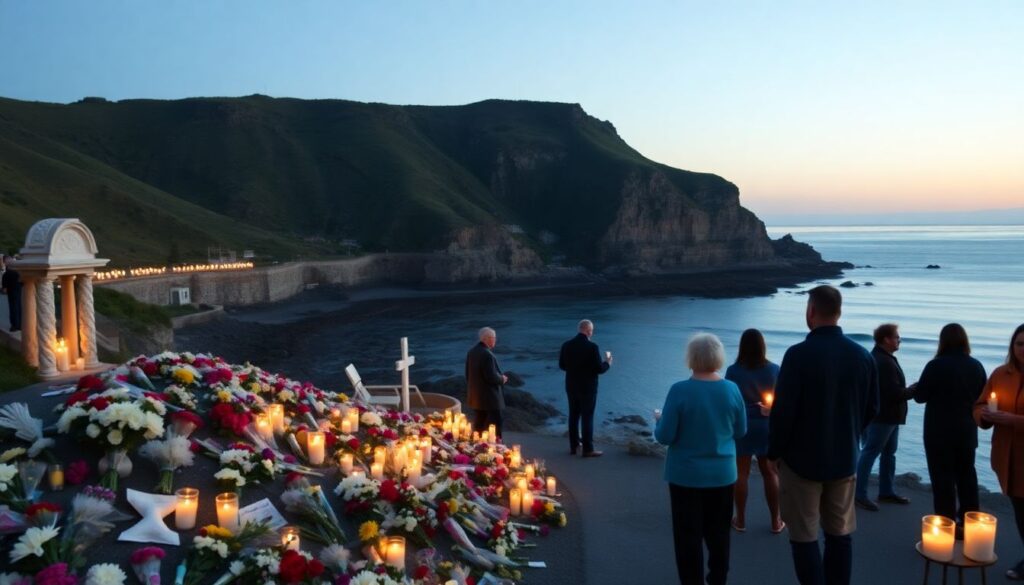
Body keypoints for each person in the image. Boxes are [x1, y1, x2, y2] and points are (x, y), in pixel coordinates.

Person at [768, 285, 879, 585]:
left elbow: (784, 412)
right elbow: (873, 407)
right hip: (844, 459)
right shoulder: (862, 356)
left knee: (803, 536)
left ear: (811, 312)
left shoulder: (797, 355)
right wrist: (850, 432)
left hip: (801, 461)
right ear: (839, 311)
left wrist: (775, 452)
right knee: (839, 534)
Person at [654, 332, 746, 585]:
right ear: (718, 357)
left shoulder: (680, 390)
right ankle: (717, 581)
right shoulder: (732, 390)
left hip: (685, 476)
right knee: (719, 537)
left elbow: (665, 436)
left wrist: (659, 421)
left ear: (691, 357)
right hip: (722, 476)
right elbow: (741, 431)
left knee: (687, 538)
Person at [913, 323, 986, 531]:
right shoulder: (976, 365)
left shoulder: (935, 365)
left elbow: (920, 397)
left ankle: (945, 525)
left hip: (938, 430)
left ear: (942, 341)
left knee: (942, 479)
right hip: (966, 429)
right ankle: (971, 522)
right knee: (967, 476)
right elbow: (983, 396)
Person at [974, 323, 1024, 580]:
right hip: (1008, 457)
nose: (1023, 349)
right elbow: (981, 403)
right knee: (1020, 511)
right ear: (1012, 346)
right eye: (1019, 344)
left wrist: (1014, 420)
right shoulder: (1001, 374)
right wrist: (984, 416)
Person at [724, 328, 783, 533]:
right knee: (770, 473)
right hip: (766, 425)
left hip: (742, 425)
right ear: (762, 346)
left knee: (741, 473)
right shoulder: (774, 369)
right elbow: (782, 399)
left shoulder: (733, 371)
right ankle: (776, 521)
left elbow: (729, 400)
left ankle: (740, 520)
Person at [855, 323, 914, 511]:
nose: (899, 341)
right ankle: (859, 494)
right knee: (871, 452)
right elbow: (893, 393)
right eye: (897, 337)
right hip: (883, 417)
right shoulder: (884, 362)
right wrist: (915, 389)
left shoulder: (880, 358)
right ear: (886, 339)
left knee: (888, 453)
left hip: (887, 416)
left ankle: (885, 491)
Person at [558, 319, 612, 457]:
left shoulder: (566, 345)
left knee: (573, 416)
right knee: (587, 417)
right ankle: (588, 449)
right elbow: (599, 369)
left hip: (571, 386)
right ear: (588, 330)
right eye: (591, 330)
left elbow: (562, 366)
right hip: (588, 388)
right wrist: (608, 363)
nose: (591, 333)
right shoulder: (592, 347)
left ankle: (574, 446)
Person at [465, 326, 508, 438]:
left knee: (479, 425)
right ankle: (498, 448)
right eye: (493, 337)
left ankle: (477, 446)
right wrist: (502, 379)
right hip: (490, 398)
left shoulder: (472, 352)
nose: (495, 340)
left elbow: (467, 374)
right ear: (486, 339)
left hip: (476, 397)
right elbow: (491, 377)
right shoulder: (487, 355)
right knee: (496, 425)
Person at [0, 255, 22, 332]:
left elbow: (4, 289)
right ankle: (19, 325)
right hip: (18, 291)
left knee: (14, 308)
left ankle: (15, 325)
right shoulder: (18, 272)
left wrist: (4, 289)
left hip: (13, 292)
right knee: (19, 307)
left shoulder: (7, 274)